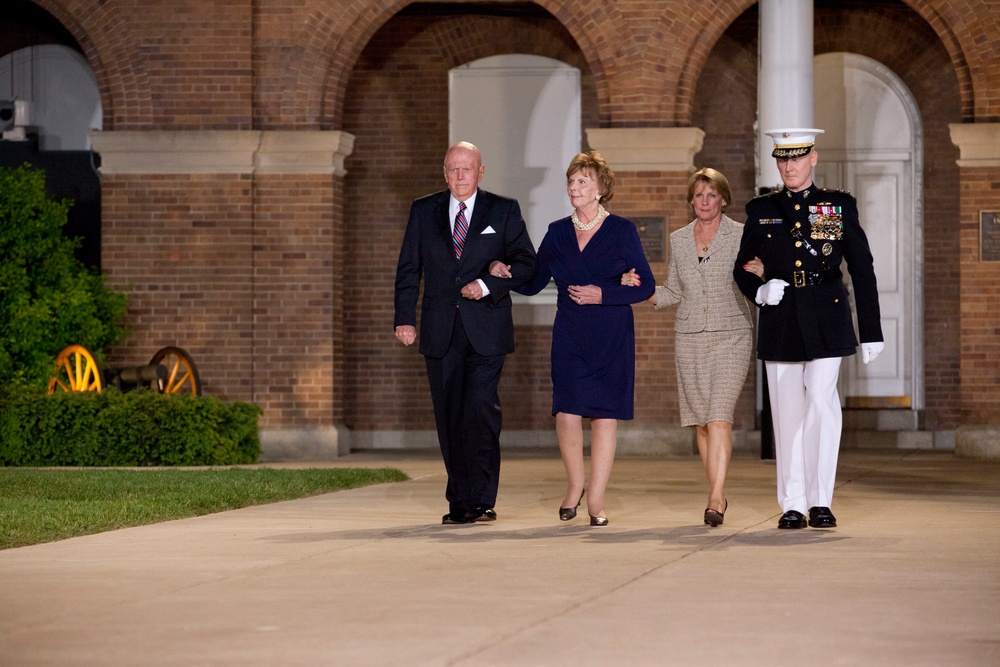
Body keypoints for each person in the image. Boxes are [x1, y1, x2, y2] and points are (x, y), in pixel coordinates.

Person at [733, 128, 884, 530]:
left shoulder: (834, 207)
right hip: (781, 318)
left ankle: (821, 500)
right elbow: (741, 266)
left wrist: (871, 330)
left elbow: (862, 268)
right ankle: (793, 503)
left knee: (821, 402)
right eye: (782, 159)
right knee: (786, 414)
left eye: (796, 159)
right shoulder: (762, 209)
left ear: (812, 159)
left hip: (826, 312)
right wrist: (760, 289)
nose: (788, 167)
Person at [492, 151, 654, 526]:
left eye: (583, 181)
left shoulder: (622, 231)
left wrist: (605, 293)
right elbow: (533, 282)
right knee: (566, 410)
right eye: (571, 181)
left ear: (600, 189)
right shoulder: (557, 232)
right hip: (569, 334)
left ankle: (596, 500)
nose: (574, 187)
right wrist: (504, 271)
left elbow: (644, 284)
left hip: (610, 334)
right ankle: (574, 485)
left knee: (604, 415)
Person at [394, 141, 537, 525]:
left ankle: (483, 498)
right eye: (453, 170)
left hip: (486, 328)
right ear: (445, 173)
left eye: (467, 169)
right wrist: (404, 318)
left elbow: (527, 264)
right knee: (449, 415)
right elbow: (409, 269)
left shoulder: (502, 210)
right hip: (441, 330)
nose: (460, 177)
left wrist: (489, 282)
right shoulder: (424, 211)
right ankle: (460, 500)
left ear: (481, 171)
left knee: (479, 410)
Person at [624, 168, 755, 527]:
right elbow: (673, 292)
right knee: (701, 422)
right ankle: (717, 490)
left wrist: (762, 272)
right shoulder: (679, 239)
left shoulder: (742, 235)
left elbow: (751, 277)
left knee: (719, 416)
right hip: (690, 338)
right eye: (698, 195)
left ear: (723, 199)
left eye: (711, 195)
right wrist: (639, 290)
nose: (704, 202)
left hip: (731, 334)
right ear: (691, 200)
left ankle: (715, 497)